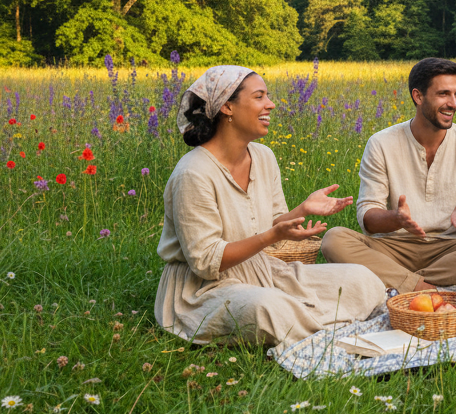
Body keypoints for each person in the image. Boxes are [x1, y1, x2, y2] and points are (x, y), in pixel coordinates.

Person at [155, 66, 384, 350]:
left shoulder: (263, 156)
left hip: (263, 271)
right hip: (204, 289)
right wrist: (272, 236)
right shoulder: (193, 173)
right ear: (227, 107)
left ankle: (312, 327)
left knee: (362, 280)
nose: (271, 104)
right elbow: (206, 263)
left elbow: (273, 223)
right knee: (268, 308)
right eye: (259, 96)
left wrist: (302, 209)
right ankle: (331, 335)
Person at [322, 58, 456, 294]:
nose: (453, 103)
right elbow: (367, 215)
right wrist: (396, 219)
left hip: (450, 248)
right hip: (393, 247)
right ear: (418, 96)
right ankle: (424, 287)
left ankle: (399, 282)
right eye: (443, 94)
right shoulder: (381, 143)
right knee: (334, 240)